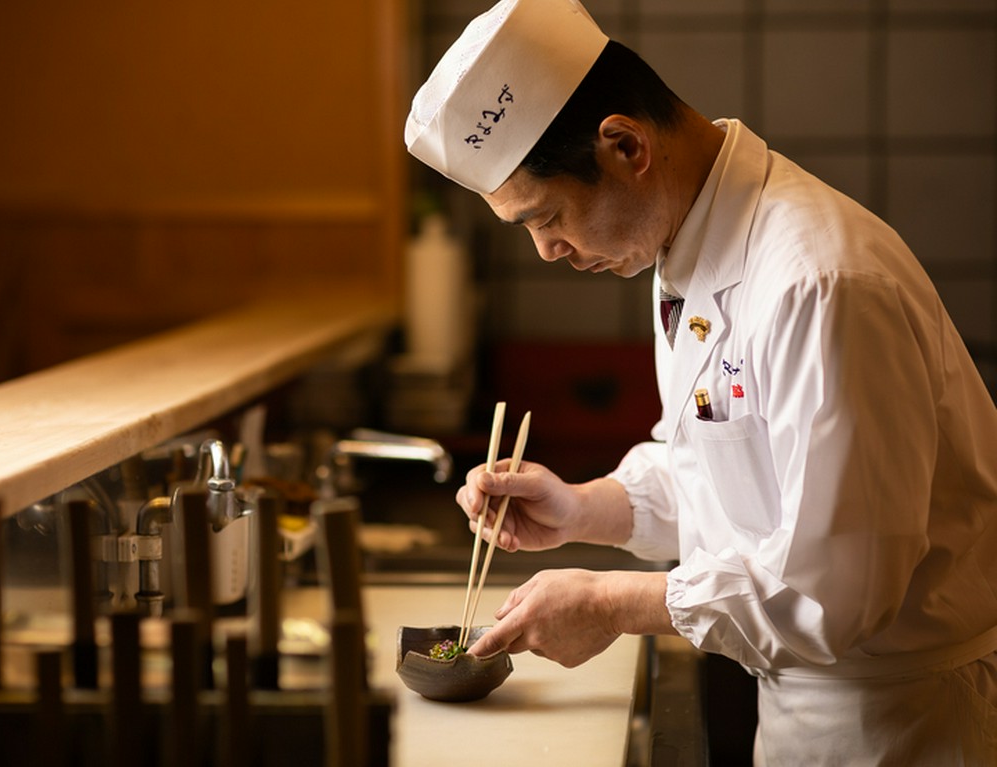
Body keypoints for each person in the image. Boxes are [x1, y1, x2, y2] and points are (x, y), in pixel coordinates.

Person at [405, 0, 997, 763]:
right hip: (805, 706)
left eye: (545, 215)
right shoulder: (689, 248)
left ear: (624, 145)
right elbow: (721, 471)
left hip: (906, 724)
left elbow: (835, 590)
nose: (547, 250)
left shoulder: (819, 281)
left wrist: (616, 604)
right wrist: (584, 507)